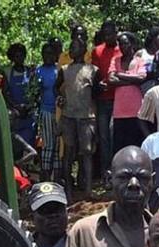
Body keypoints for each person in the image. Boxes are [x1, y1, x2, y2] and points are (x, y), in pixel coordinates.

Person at [60, 39, 98, 195]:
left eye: (74, 47)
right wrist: (61, 98)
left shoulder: (93, 70)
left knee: (87, 152)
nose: (71, 50)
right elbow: (58, 87)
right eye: (70, 47)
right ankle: (68, 190)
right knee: (68, 153)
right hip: (68, 116)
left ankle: (88, 190)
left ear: (83, 50)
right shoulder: (64, 70)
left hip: (86, 117)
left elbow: (96, 93)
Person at [109, 32, 149, 151]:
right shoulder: (115, 60)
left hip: (136, 110)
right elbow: (111, 80)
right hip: (119, 111)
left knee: (136, 144)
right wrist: (132, 80)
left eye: (125, 43)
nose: (122, 47)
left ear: (132, 44)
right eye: (120, 44)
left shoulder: (139, 61)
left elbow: (141, 78)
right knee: (119, 146)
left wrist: (120, 75)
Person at [93, 21, 121, 167]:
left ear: (116, 33)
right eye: (106, 34)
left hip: (119, 99)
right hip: (103, 100)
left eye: (111, 34)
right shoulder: (97, 51)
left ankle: (117, 168)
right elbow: (95, 74)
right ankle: (105, 171)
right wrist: (99, 84)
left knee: (114, 134)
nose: (108, 37)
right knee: (103, 137)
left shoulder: (122, 48)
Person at [36, 42, 62, 182]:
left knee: (58, 144)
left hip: (58, 111)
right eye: (46, 54)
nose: (48, 57)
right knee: (48, 144)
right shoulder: (38, 71)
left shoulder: (59, 69)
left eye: (51, 54)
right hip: (45, 111)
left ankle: (57, 179)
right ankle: (45, 177)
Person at [3, 43, 36, 147]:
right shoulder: (7, 72)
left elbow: (34, 92)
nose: (19, 59)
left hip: (28, 115)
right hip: (14, 116)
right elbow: (5, 93)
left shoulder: (30, 72)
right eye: (16, 56)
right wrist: (15, 107)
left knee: (28, 147)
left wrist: (27, 106)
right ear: (12, 58)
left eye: (21, 55)